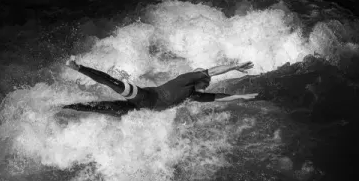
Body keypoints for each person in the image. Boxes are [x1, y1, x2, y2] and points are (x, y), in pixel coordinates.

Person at [63, 56, 258, 115]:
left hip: (139, 111)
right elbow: (212, 71)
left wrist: (242, 97)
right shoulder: (187, 79)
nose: (207, 85)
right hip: (144, 97)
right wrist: (234, 66)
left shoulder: (195, 96)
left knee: (101, 108)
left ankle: (61, 107)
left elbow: (219, 97)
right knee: (114, 84)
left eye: (207, 84)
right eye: (205, 82)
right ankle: (77, 67)